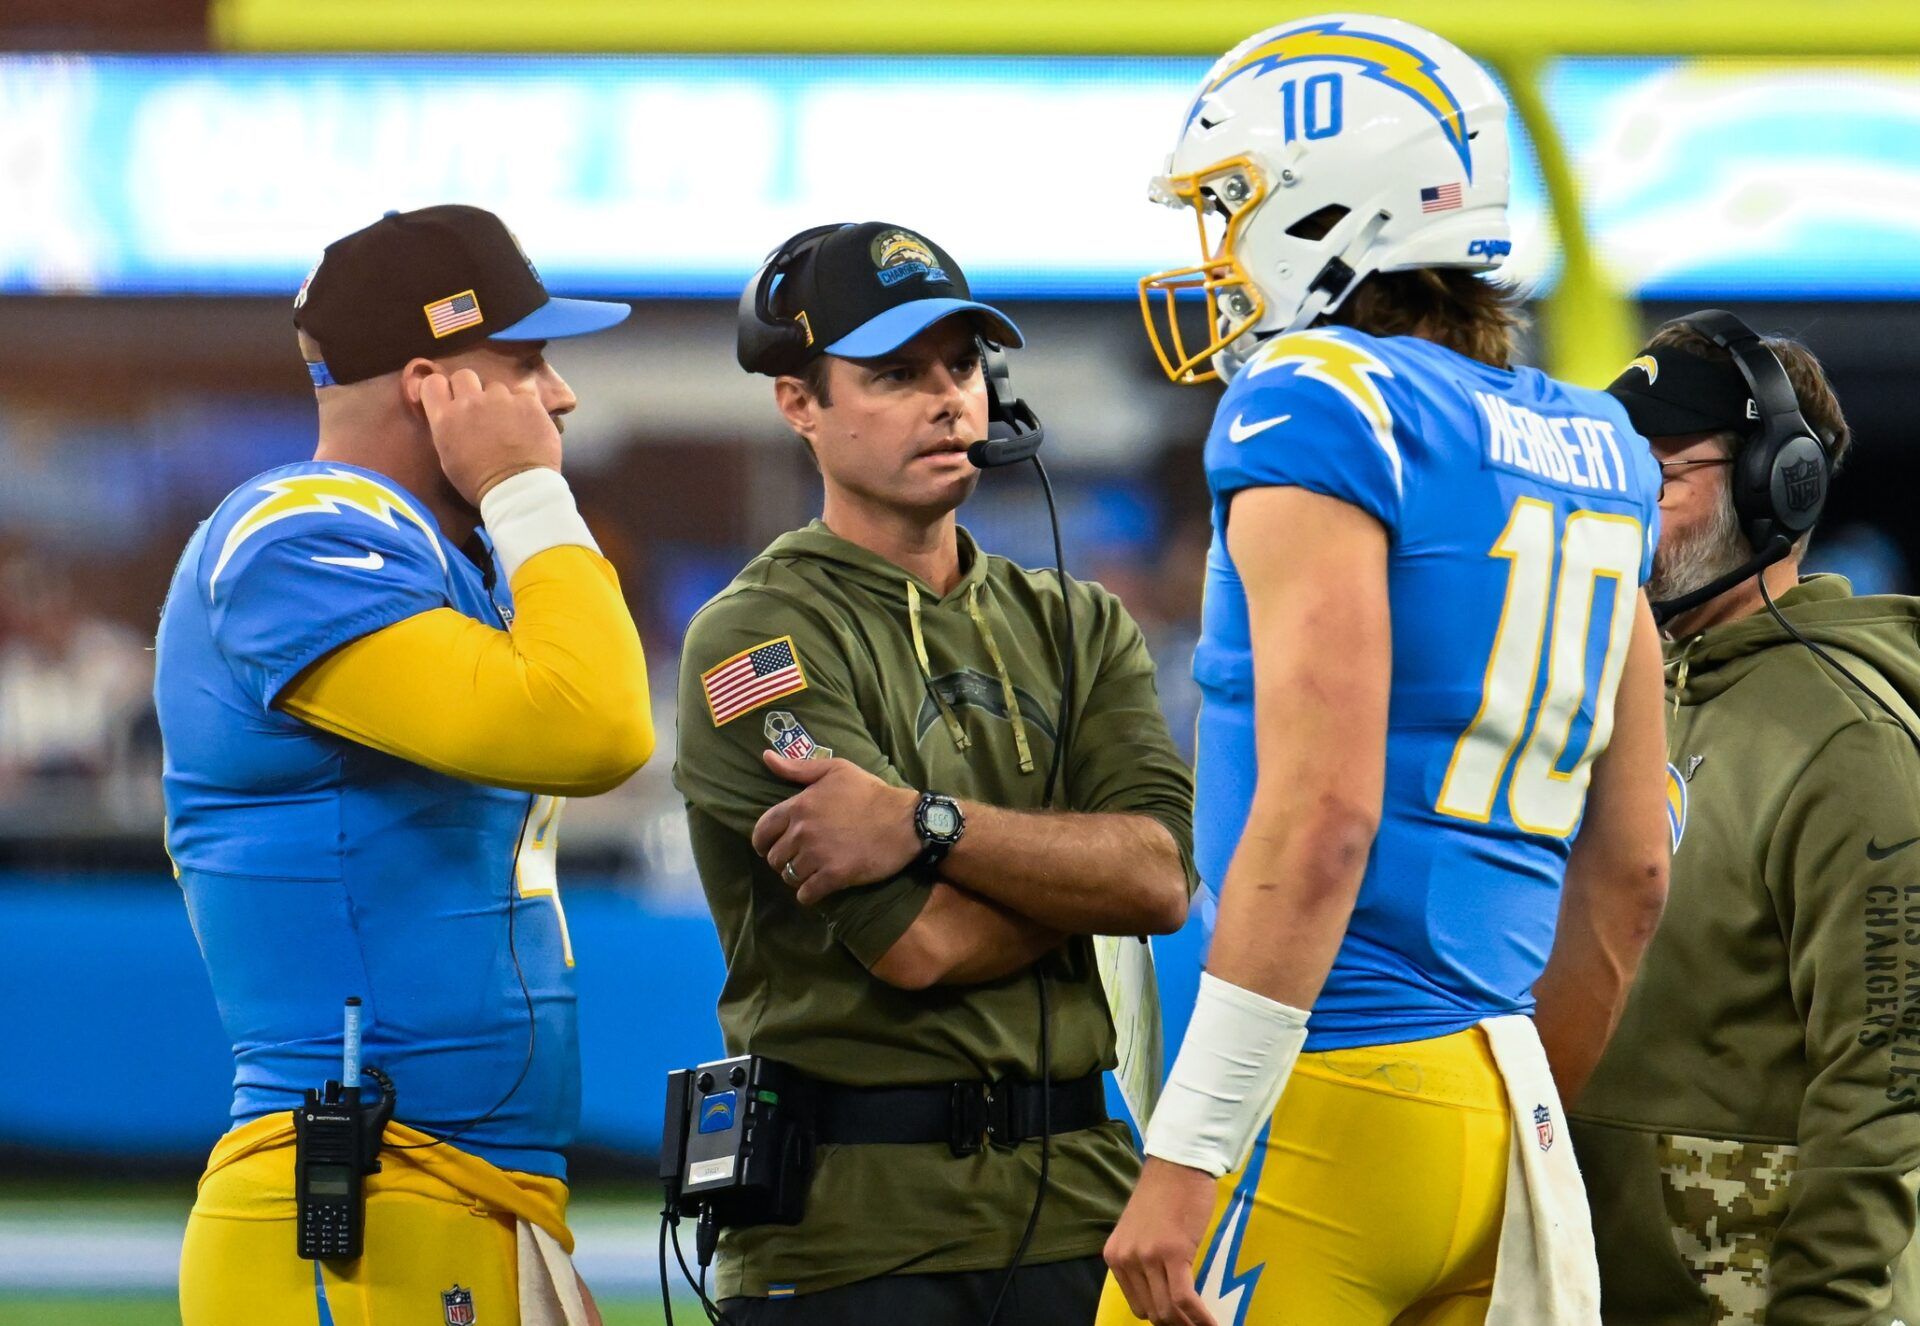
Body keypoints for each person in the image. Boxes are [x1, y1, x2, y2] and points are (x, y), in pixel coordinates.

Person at [1100, 16, 1673, 1325]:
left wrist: (1190, 1153)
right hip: (1506, 1106)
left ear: (1329, 205)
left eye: (1233, 203)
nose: (1220, 245)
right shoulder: (1598, 447)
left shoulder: (1318, 399)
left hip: (1328, 1087)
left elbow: (1323, 812)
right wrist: (1517, 1097)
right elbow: (1635, 861)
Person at [673, 220, 1197, 1325]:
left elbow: (1157, 882)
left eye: (961, 366)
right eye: (894, 375)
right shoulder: (757, 635)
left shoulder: (1080, 620)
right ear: (799, 403)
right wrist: (1077, 868)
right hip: (856, 1244)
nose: (947, 398)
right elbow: (922, 944)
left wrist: (929, 825)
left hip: (1079, 1213)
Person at [158, 204, 654, 1326]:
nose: (559, 395)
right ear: (432, 383)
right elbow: (597, 730)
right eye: (524, 362)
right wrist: (528, 491)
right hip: (356, 1199)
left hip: (461, 1191)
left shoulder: (438, 558)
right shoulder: (300, 536)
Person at [1572, 315, 1920, 1326]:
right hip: (1603, 1282)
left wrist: (1825, 1308)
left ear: (1782, 485)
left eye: (1664, 478)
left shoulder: (1851, 740)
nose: (1623, 511)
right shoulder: (1618, 696)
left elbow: (1890, 1072)